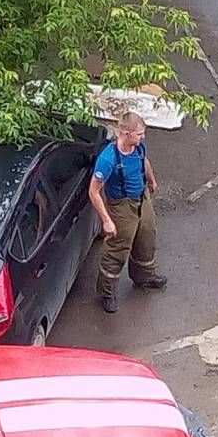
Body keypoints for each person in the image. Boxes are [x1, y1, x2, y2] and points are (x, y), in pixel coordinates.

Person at [88, 111, 168, 313]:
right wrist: (106, 220)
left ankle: (144, 276)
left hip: (142, 197)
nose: (143, 137)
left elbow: (144, 161)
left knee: (147, 235)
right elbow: (94, 191)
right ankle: (106, 292)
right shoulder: (108, 159)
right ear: (125, 133)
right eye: (139, 134)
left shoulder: (138, 146)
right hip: (122, 205)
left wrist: (151, 180)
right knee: (118, 247)